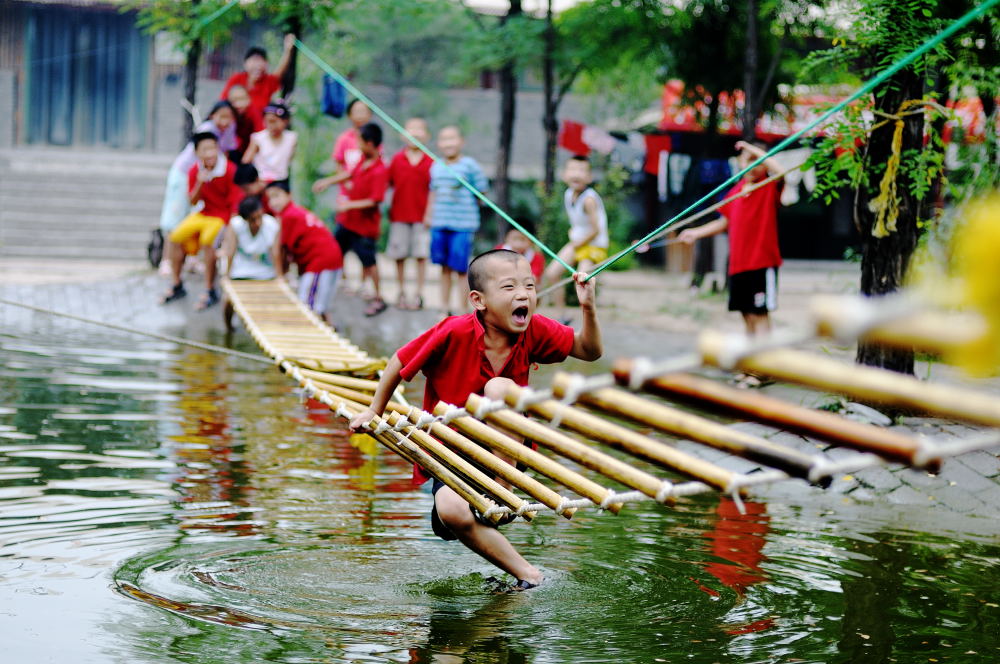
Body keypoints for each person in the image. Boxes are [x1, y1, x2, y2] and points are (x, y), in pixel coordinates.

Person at [349, 249, 603, 589]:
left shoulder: (534, 330)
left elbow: (589, 350)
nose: (524, 294)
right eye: (509, 287)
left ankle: (503, 492)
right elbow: (399, 360)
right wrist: (374, 410)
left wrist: (587, 306)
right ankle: (529, 575)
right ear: (478, 300)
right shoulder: (453, 331)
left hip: (505, 449)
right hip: (450, 448)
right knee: (452, 514)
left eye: (529, 285)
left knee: (499, 388)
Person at [678, 140, 784, 386]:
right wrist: (696, 233)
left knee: (760, 315)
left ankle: (765, 369)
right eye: (746, 160)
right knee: (747, 316)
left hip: (761, 262)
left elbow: (779, 170)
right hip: (739, 264)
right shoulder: (736, 189)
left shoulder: (769, 185)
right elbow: (724, 221)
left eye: (757, 159)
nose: (752, 165)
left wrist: (751, 148)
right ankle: (751, 366)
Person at [313, 123, 389, 317]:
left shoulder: (380, 169)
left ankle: (379, 297)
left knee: (369, 261)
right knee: (333, 250)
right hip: (348, 221)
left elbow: (375, 200)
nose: (356, 144)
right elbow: (349, 173)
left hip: (365, 226)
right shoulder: (362, 160)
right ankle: (326, 289)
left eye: (360, 141)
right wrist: (327, 182)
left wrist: (349, 205)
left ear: (370, 144)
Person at [161, 132, 240, 310]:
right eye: (205, 149)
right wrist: (200, 183)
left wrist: (230, 230)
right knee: (175, 236)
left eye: (212, 148)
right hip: (203, 213)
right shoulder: (195, 171)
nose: (210, 153)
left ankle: (210, 289)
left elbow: (234, 203)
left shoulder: (228, 169)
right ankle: (176, 283)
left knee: (208, 241)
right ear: (197, 153)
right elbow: (193, 201)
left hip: (221, 216)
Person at [425, 126, 488, 315]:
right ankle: (444, 306)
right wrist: (428, 215)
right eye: (444, 139)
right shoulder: (436, 166)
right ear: (438, 144)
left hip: (462, 225)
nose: (448, 143)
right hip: (440, 223)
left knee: (460, 268)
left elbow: (482, 192)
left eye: (452, 139)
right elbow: (433, 192)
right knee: (443, 267)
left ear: (461, 142)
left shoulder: (470, 165)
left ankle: (462, 309)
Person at [266, 181, 345, 324]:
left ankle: (309, 340)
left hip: (320, 262)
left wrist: (281, 275)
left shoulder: (289, 215)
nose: (273, 202)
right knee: (319, 304)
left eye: (276, 196)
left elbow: (283, 250)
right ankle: (329, 327)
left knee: (307, 306)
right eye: (270, 198)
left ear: (289, 195)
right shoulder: (294, 212)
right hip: (329, 259)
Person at [541, 155, 609, 320]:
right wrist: (574, 234)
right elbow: (579, 223)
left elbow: (596, 229)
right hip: (578, 242)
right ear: (564, 175)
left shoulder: (589, 200)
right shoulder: (568, 194)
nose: (576, 175)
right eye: (572, 170)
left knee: (583, 280)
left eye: (581, 171)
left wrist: (578, 241)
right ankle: (561, 315)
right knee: (552, 273)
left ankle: (588, 319)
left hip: (593, 245)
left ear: (589, 177)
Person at [159, 101, 237, 243]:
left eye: (229, 117)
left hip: (207, 175)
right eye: (222, 117)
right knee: (175, 216)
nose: (225, 121)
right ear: (213, 115)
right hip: (184, 172)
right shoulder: (208, 129)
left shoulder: (229, 129)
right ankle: (166, 259)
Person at [386, 117, 433, 310]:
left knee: (421, 256)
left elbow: (434, 190)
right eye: (410, 129)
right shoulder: (397, 159)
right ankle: (401, 291)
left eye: (419, 130)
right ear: (402, 134)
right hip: (399, 215)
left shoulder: (431, 161)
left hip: (422, 217)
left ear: (427, 136)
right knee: (399, 254)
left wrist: (429, 215)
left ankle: (419, 293)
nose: (414, 133)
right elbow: (388, 184)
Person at [220, 196, 280, 330]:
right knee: (228, 299)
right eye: (253, 220)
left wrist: (279, 276)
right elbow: (231, 251)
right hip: (240, 271)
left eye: (259, 217)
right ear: (245, 220)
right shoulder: (236, 224)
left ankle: (266, 327)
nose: (258, 223)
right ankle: (229, 327)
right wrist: (226, 276)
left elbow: (275, 252)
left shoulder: (271, 224)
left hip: (264, 271)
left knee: (271, 301)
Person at [220, 36, 295, 121]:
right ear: (245, 63)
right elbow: (223, 103)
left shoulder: (268, 81)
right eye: (255, 60)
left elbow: (281, 71)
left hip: (258, 128)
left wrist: (288, 50)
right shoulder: (236, 79)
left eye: (262, 61)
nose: (258, 65)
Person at [241, 102, 297, 186]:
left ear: (285, 121)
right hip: (261, 182)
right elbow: (246, 161)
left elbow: (290, 159)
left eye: (273, 121)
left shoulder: (291, 138)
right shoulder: (258, 138)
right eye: (267, 121)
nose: (270, 125)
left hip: (281, 181)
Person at [226, 84, 259, 163]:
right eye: (234, 100)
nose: (238, 104)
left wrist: (246, 159)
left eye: (242, 99)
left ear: (248, 99)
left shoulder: (253, 112)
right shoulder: (226, 111)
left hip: (248, 154)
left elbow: (259, 135)